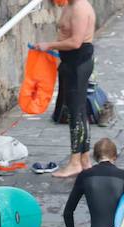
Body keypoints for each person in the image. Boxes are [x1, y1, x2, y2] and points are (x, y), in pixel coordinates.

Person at [34, 0, 96, 178]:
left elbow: (76, 42)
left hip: (78, 63)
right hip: (70, 63)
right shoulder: (70, 5)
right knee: (79, 111)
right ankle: (84, 159)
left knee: (75, 112)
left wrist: (49, 45)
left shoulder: (79, 8)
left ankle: (75, 162)